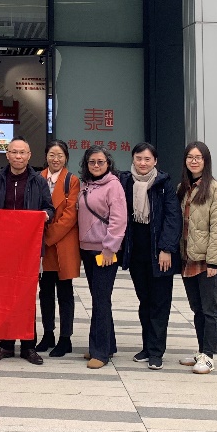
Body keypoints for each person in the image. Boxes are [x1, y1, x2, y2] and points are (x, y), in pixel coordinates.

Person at [0, 136, 54, 365]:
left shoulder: (38, 181)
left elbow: (49, 208)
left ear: (29, 156)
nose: (18, 156)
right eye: (14, 152)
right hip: (3, 249)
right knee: (3, 296)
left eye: (22, 152)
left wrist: (45, 216)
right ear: (7, 155)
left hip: (28, 249)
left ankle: (28, 346)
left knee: (26, 297)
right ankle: (5, 345)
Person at [120, 142, 182, 370]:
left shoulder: (164, 185)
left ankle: (156, 352)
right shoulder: (126, 182)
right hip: (137, 255)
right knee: (144, 301)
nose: (143, 163)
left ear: (155, 161)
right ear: (133, 159)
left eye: (147, 159)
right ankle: (147, 347)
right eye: (139, 158)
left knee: (160, 303)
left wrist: (166, 249)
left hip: (160, 255)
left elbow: (173, 218)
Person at [177, 141, 217, 375]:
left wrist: (213, 261)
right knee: (197, 308)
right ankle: (201, 351)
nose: (194, 161)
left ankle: (209, 355)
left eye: (198, 157)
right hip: (188, 257)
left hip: (207, 260)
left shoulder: (215, 190)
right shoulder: (183, 188)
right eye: (190, 157)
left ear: (206, 161)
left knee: (209, 308)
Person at [76, 144, 127, 370]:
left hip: (104, 251)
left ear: (108, 164)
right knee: (99, 298)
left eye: (100, 162)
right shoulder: (86, 184)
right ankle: (107, 344)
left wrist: (110, 248)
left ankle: (100, 352)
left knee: (101, 299)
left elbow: (119, 220)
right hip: (87, 249)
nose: (96, 165)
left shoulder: (113, 186)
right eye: (92, 162)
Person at [35, 139, 79, 358]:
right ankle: (48, 333)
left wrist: (47, 237)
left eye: (60, 155)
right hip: (42, 247)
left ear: (66, 158)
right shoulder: (37, 178)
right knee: (45, 293)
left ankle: (65, 338)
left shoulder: (72, 181)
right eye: (52, 155)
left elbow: (69, 216)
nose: (55, 159)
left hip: (62, 245)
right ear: (46, 156)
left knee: (65, 293)